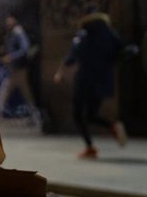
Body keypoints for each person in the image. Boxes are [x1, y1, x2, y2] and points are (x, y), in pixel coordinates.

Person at [53, 8, 130, 159]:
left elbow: (72, 56)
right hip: (103, 80)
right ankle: (112, 126)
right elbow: (120, 52)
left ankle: (90, 147)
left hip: (85, 80)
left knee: (78, 114)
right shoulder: (110, 34)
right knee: (91, 114)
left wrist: (60, 72)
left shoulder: (83, 35)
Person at [0, 14, 40, 127]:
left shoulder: (18, 33)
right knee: (25, 94)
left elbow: (25, 49)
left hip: (19, 70)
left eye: (10, 22)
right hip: (16, 70)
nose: (7, 24)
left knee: (5, 92)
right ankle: (36, 117)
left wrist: (11, 57)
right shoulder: (11, 34)